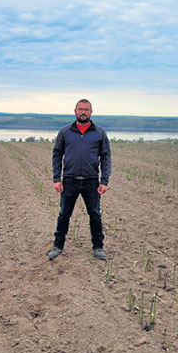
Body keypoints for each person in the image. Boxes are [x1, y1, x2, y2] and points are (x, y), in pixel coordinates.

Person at [49, 98, 112, 261]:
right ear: (75, 111)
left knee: (95, 214)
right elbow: (57, 155)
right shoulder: (65, 132)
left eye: (86, 109)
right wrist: (57, 178)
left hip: (91, 181)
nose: (83, 112)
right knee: (64, 214)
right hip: (69, 180)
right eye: (80, 109)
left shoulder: (99, 133)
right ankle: (58, 246)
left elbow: (106, 157)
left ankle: (98, 248)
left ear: (91, 112)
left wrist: (104, 181)